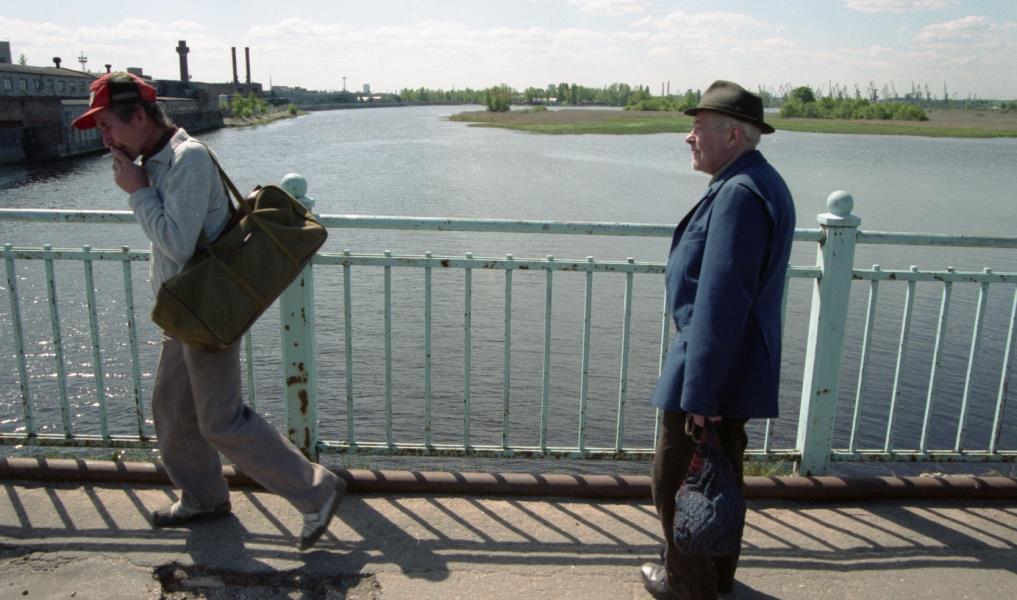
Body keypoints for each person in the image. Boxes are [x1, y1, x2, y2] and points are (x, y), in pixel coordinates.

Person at [72, 72, 344, 550]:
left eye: (108, 125)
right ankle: (204, 498)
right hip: (182, 312)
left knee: (220, 420)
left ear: (139, 117)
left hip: (205, 311)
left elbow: (176, 243)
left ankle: (316, 490)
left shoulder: (187, 159)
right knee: (174, 412)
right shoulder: (157, 161)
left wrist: (137, 191)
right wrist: (142, 184)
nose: (105, 138)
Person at [641, 80, 796, 599]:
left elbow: (721, 302)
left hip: (709, 370)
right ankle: (716, 574)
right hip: (733, 365)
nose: (689, 137)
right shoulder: (757, 182)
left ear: (733, 135)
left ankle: (687, 583)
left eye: (698, 127)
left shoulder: (738, 194)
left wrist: (701, 395)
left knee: (677, 476)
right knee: (719, 472)